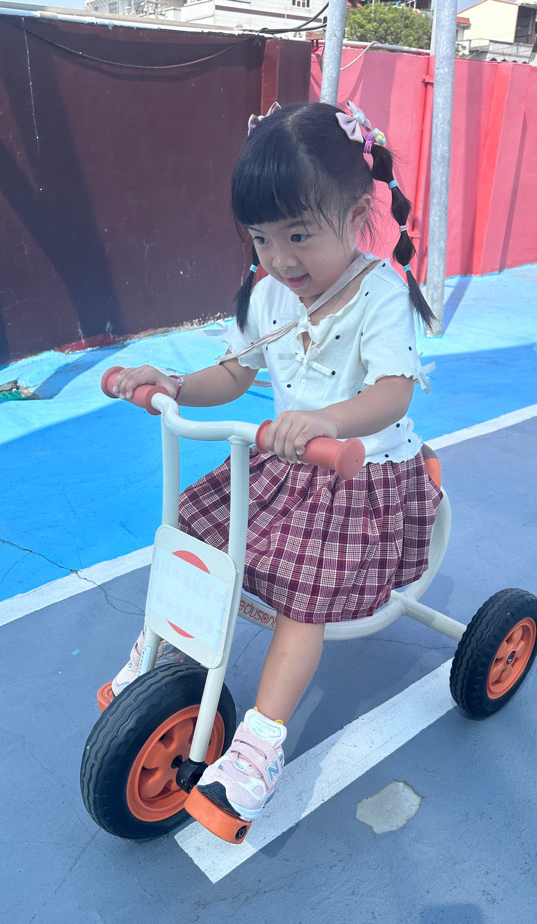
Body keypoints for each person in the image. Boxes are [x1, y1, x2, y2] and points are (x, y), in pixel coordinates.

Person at [109, 100, 442, 825]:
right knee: (194, 531)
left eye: (298, 234)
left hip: (358, 472)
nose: (282, 259)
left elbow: (392, 392)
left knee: (301, 593)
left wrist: (327, 419)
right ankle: (168, 655)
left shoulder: (380, 295)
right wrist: (172, 385)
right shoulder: (270, 296)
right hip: (288, 463)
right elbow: (233, 375)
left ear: (356, 215)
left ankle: (261, 742)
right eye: (261, 238)